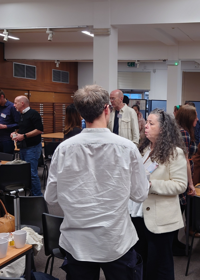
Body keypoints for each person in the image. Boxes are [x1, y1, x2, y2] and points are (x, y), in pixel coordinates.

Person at [45, 84, 149, 280]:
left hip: (77, 242)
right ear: (107, 109)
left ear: (81, 113)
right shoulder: (127, 148)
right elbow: (140, 194)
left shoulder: (64, 149)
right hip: (115, 239)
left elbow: (50, 197)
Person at [129, 108, 187, 280]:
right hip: (138, 214)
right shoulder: (143, 150)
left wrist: (150, 184)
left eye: (151, 123)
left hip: (160, 218)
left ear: (163, 129)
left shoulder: (174, 153)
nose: (145, 126)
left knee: (160, 266)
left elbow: (180, 185)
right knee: (142, 262)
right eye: (146, 122)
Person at [174, 104, 198, 249]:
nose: (197, 119)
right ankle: (173, 245)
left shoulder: (176, 131)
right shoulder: (184, 134)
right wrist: (190, 184)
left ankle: (173, 243)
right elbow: (185, 161)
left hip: (177, 175)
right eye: (195, 116)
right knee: (179, 210)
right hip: (181, 176)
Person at [11, 96, 43, 196]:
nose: (14, 105)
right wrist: (15, 133)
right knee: (27, 172)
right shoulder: (21, 115)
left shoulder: (33, 114)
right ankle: (32, 193)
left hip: (32, 148)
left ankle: (38, 196)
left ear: (22, 103)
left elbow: (39, 130)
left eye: (16, 103)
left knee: (32, 173)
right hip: (24, 148)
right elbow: (23, 129)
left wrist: (23, 136)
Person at [0, 88, 20, 159]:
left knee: (6, 164)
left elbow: (18, 124)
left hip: (6, 140)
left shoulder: (12, 107)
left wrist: (4, 126)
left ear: (2, 96)